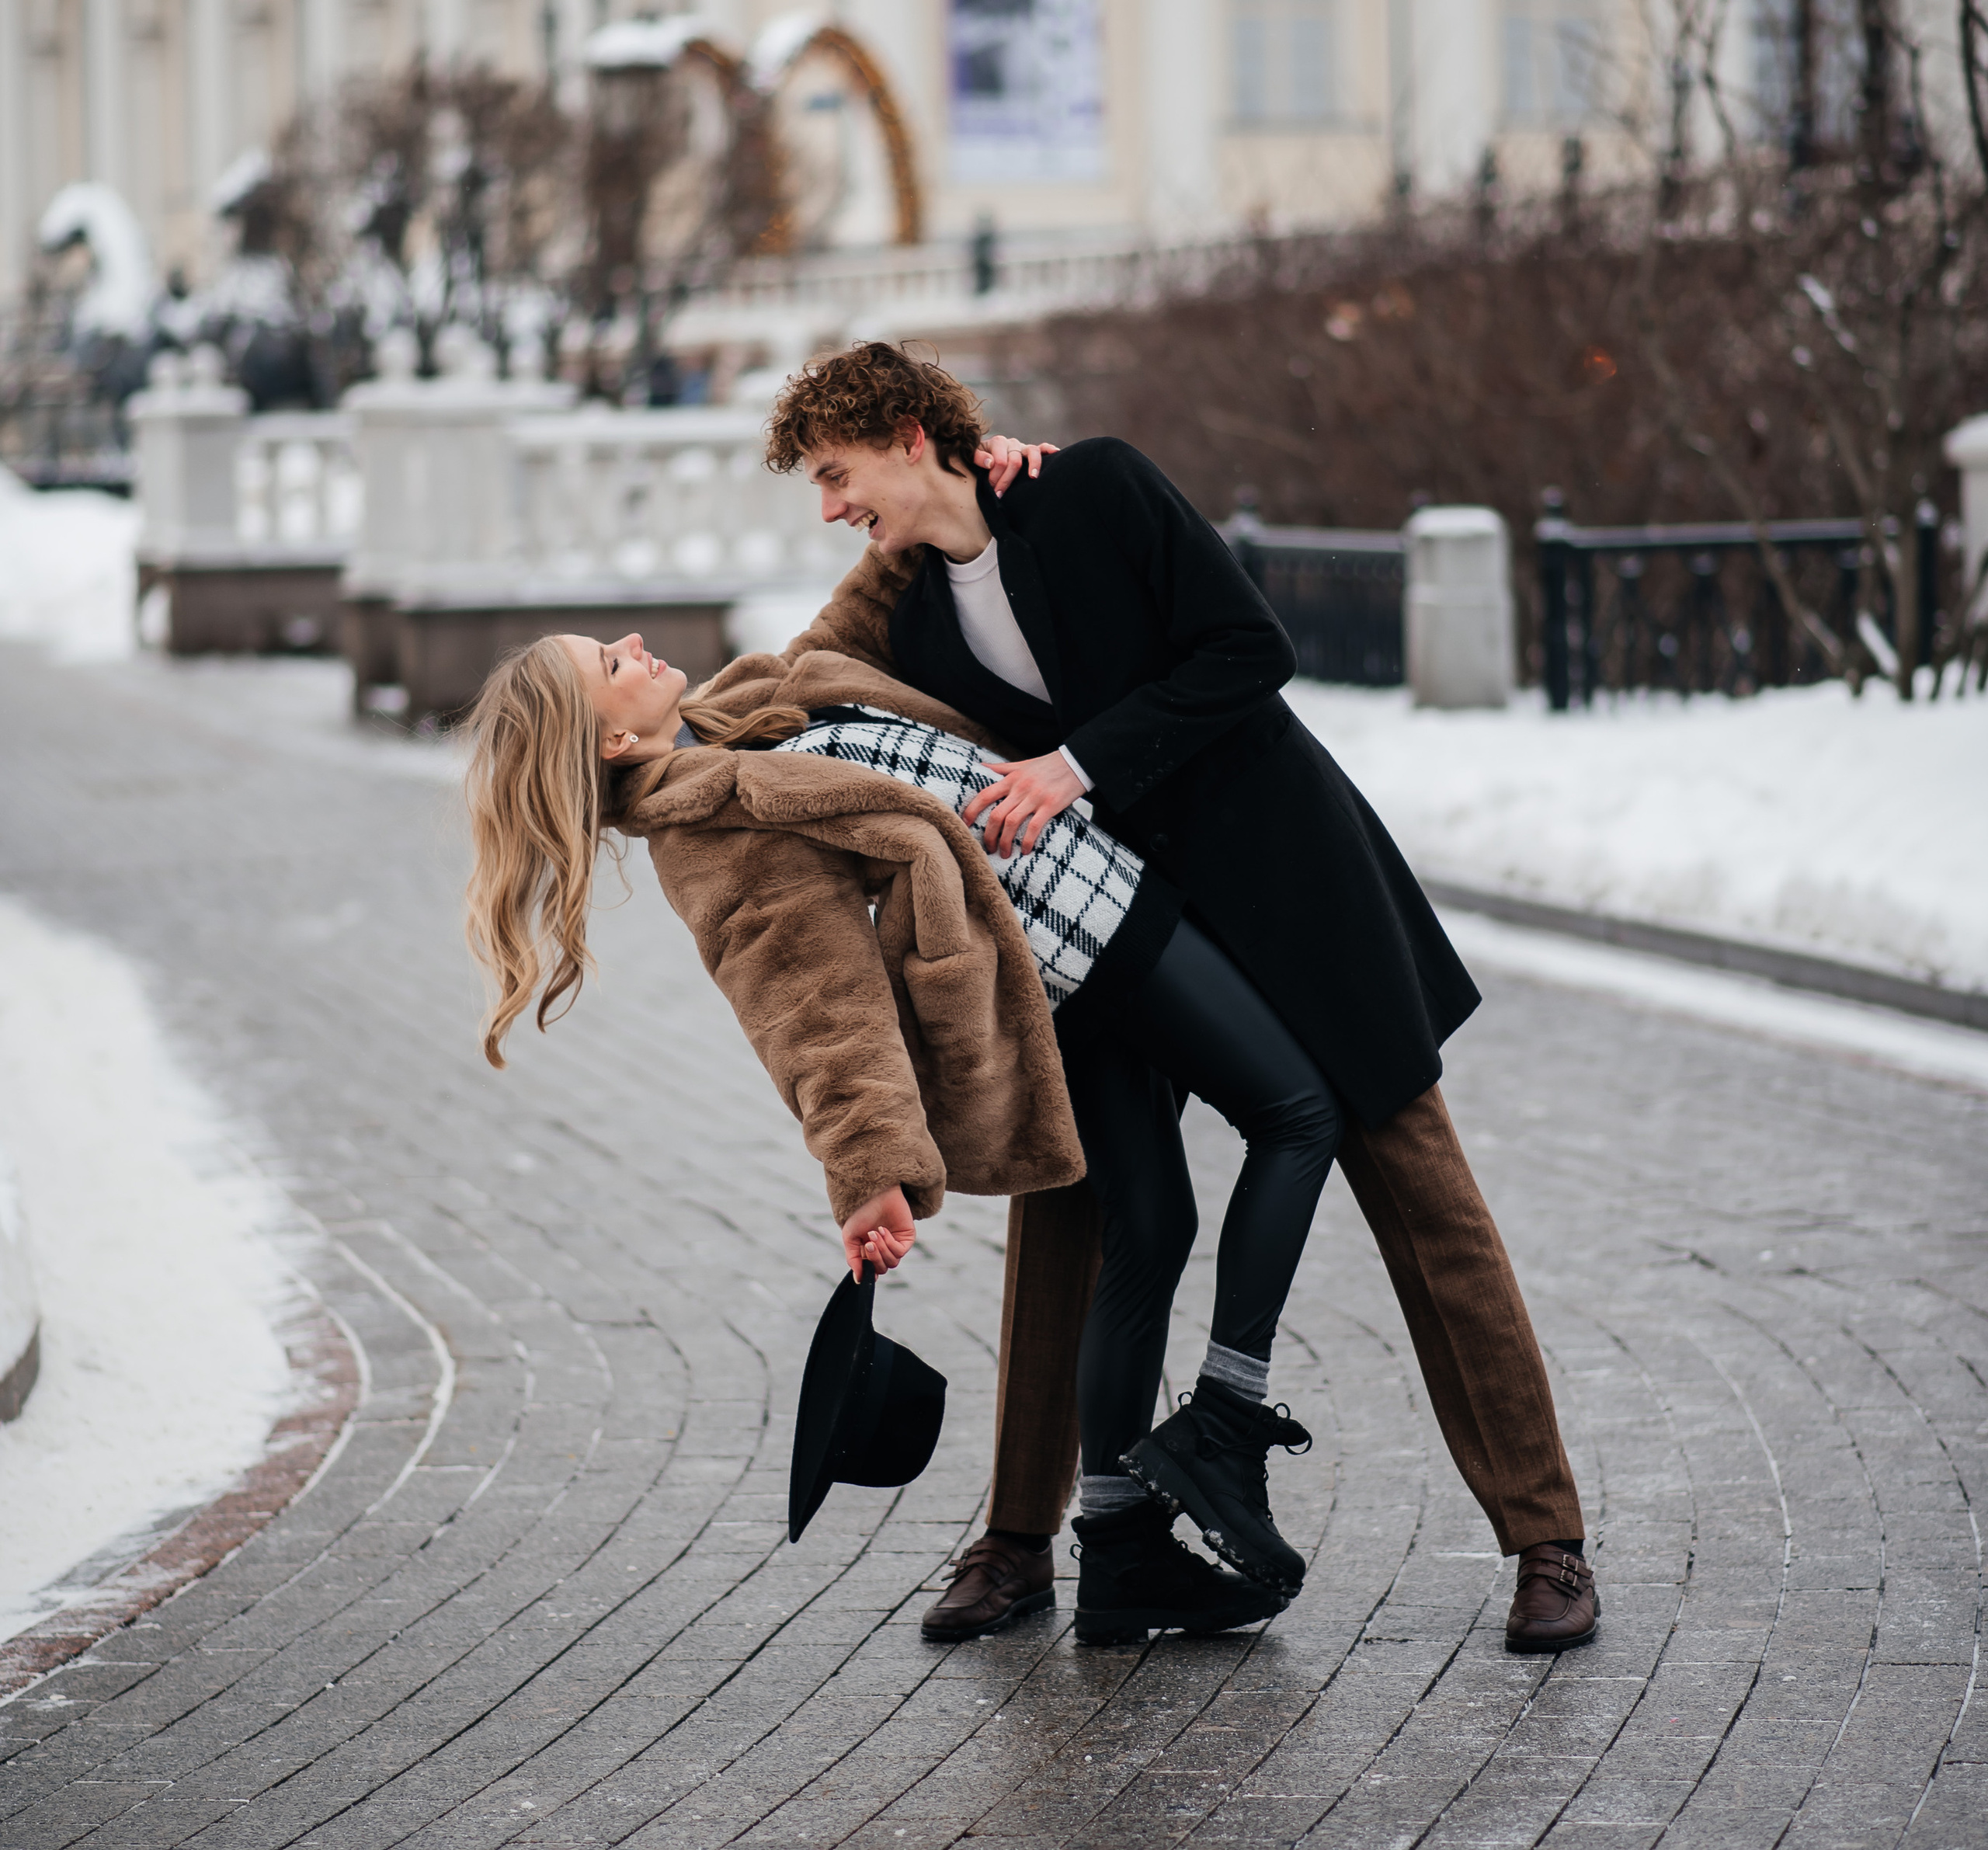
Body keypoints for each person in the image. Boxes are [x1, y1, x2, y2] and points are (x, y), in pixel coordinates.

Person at [746, 343, 1597, 1659]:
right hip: (1106, 935)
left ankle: (1547, 1539)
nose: (826, 507)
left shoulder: (1095, 489)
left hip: (1284, 883)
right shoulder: (910, 617)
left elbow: (1253, 647)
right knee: (1071, 1213)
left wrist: (1077, 763)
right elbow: (792, 680)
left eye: (837, 472)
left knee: (1427, 1197)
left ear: (911, 435)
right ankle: (1021, 1541)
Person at [462, 623, 1296, 1646]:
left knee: (1154, 1225)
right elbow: (814, 1003)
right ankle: (1198, 1452)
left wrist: (928, 524)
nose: (633, 642)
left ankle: (1123, 1548)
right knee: (1287, 1118)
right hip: (1066, 941)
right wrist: (869, 1170)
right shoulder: (713, 827)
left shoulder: (738, 712)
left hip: (1078, 904)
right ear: (612, 743)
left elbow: (848, 623)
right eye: (609, 663)